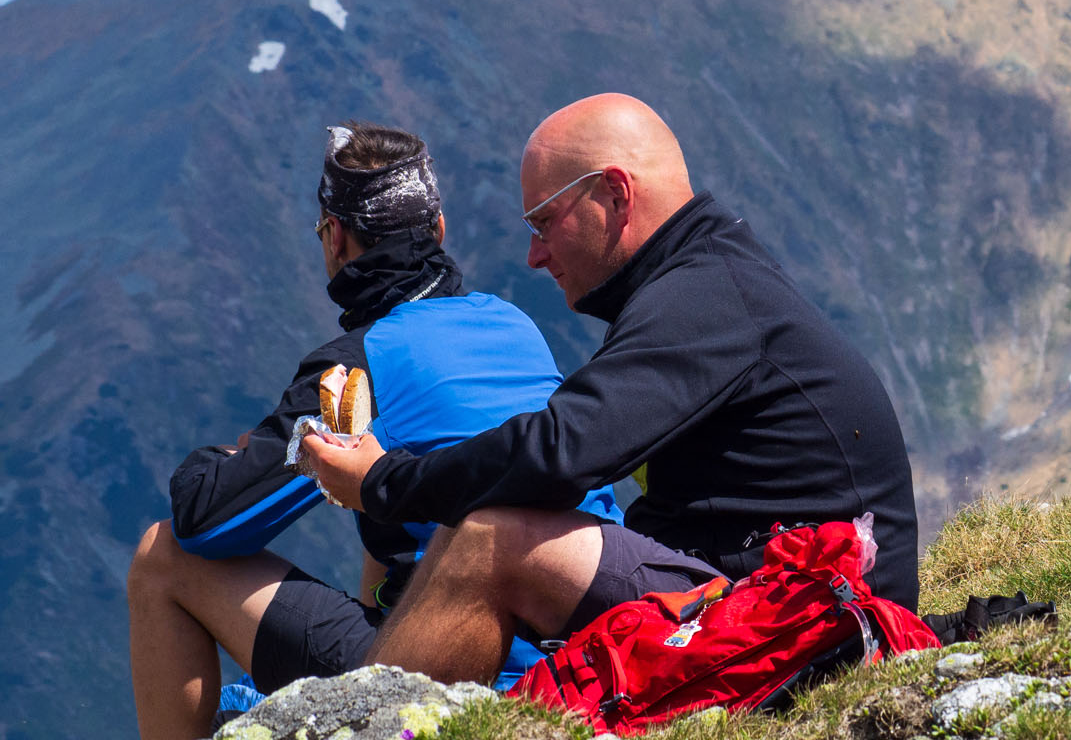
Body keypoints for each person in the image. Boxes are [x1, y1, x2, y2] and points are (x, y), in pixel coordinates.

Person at [301, 93, 920, 686]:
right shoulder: (707, 280)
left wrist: (382, 483)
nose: (534, 255)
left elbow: (556, 455)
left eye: (544, 222)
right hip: (784, 600)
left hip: (805, 622)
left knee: (493, 535)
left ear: (616, 194)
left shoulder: (703, 299)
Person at [127, 122, 620, 740]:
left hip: (469, 672)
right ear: (438, 230)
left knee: (162, 555)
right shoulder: (510, 321)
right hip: (591, 650)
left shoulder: (358, 368)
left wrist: (223, 459)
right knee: (385, 501)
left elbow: (209, 521)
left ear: (335, 237)